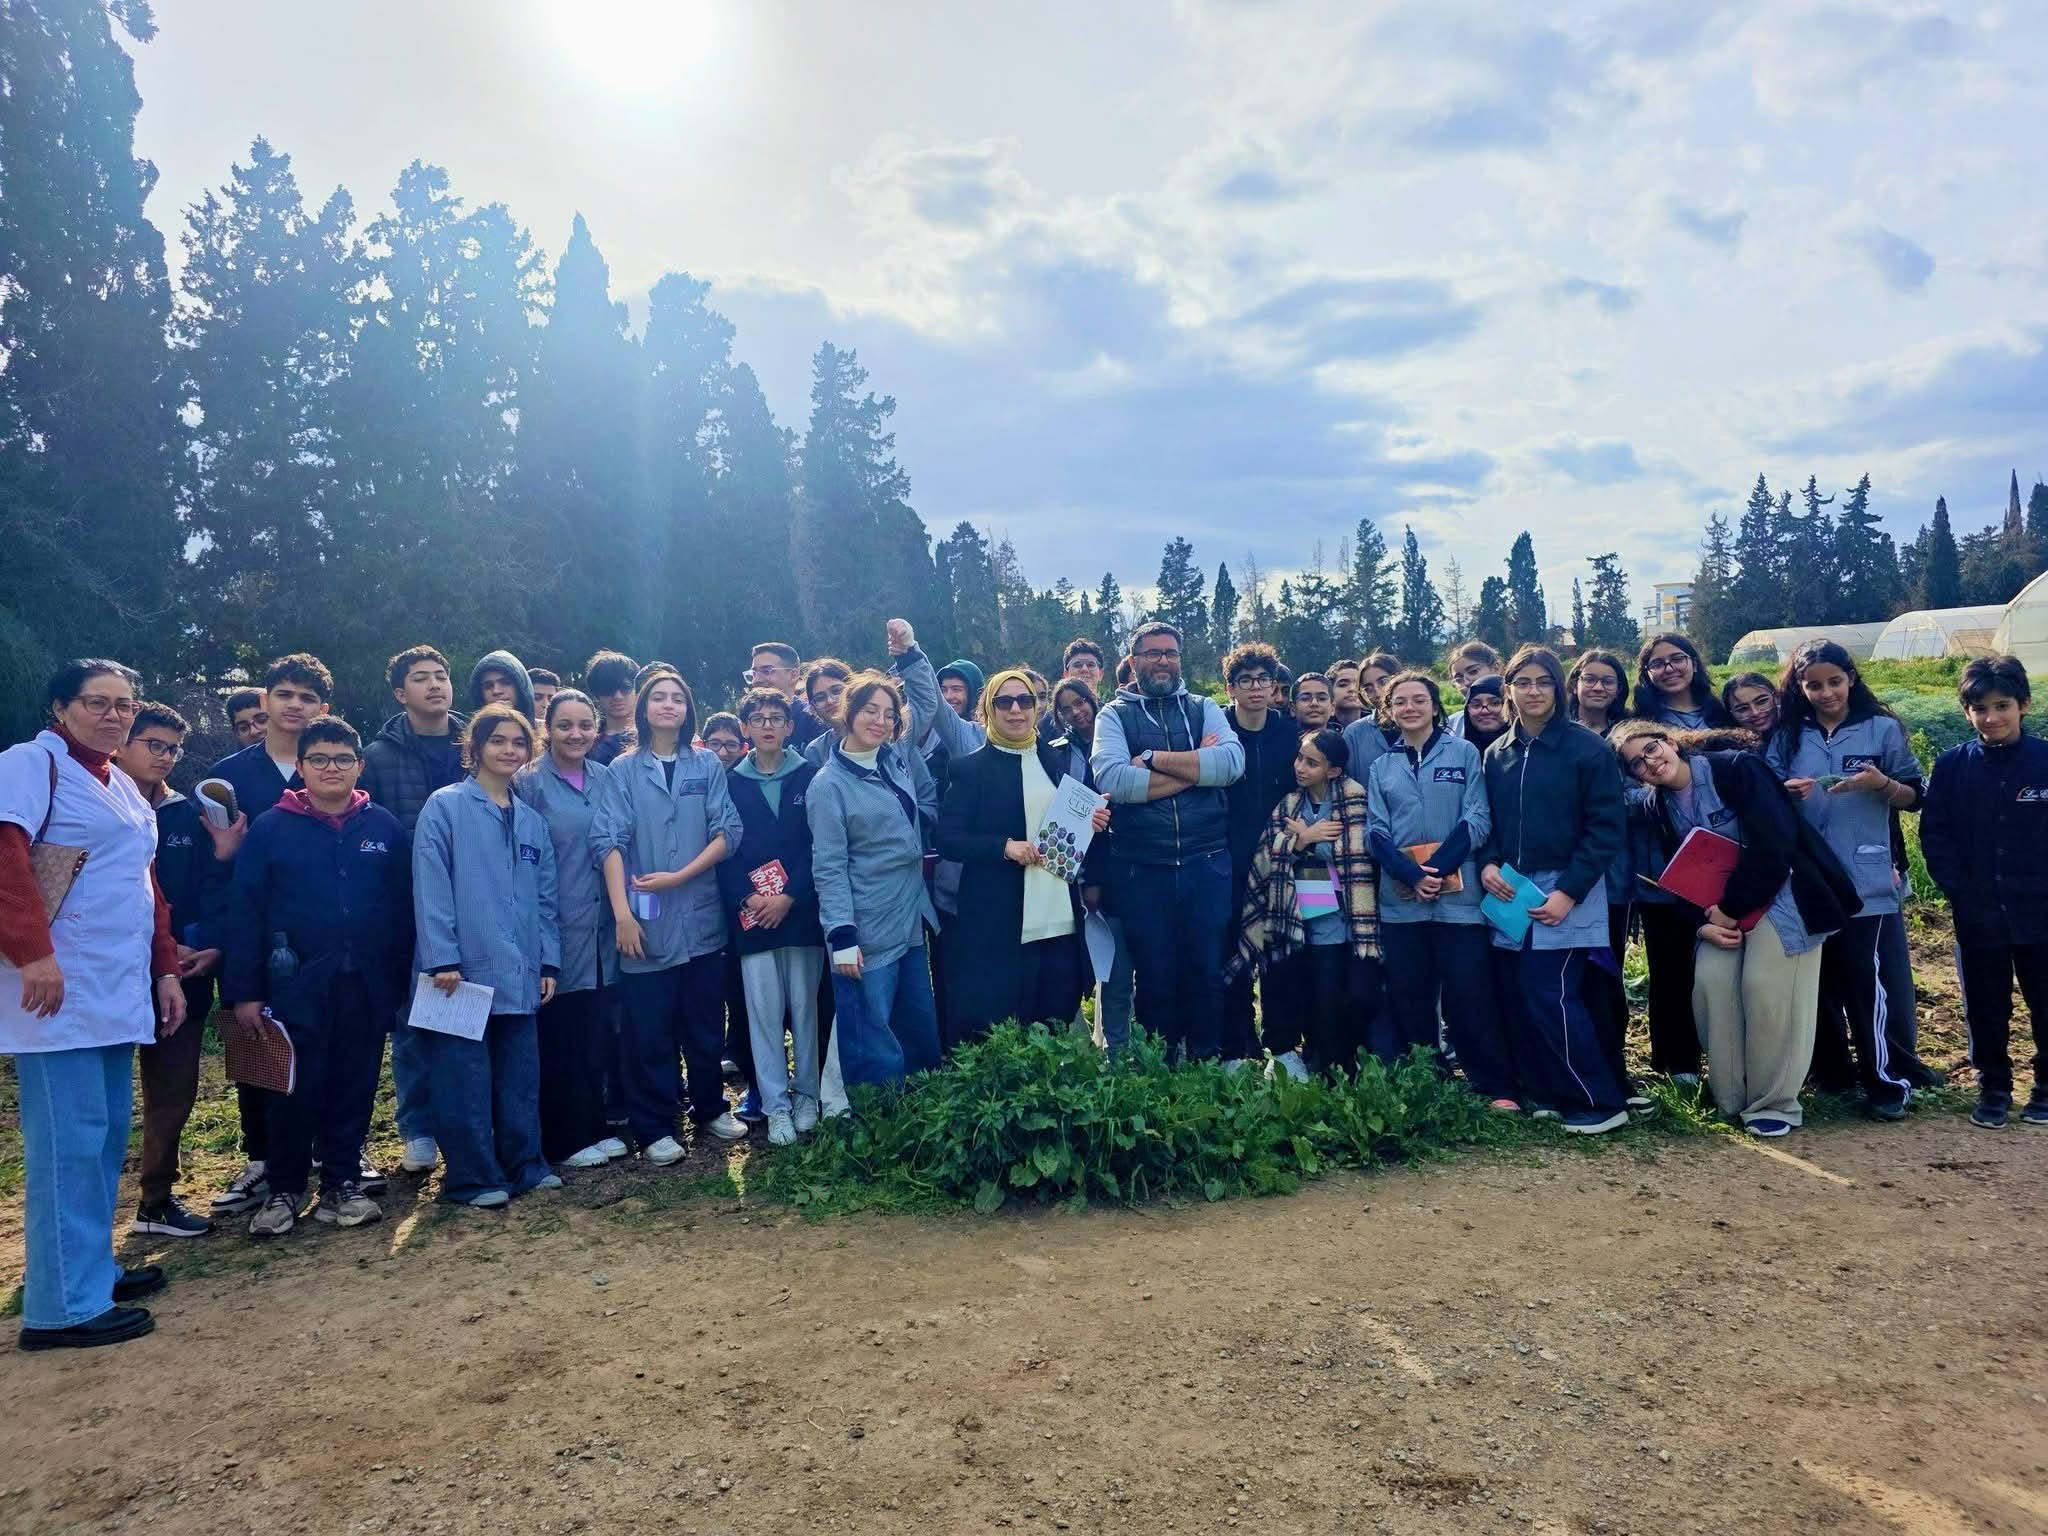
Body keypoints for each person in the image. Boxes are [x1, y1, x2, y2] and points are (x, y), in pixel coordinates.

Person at [3, 661, 187, 1350]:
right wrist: (32, 953)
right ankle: (59, 1309)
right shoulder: (30, 764)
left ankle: (91, 1271)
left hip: (114, 988)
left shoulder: (121, 785)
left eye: (124, 704)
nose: (113, 715)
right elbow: (5, 859)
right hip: (55, 989)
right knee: (67, 1147)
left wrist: (164, 969)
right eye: (96, 702)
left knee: (105, 1138)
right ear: (59, 706)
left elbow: (146, 889)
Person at [1614, 720, 1856, 1135]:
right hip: (1719, 913)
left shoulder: (1737, 769)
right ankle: (1731, 1096)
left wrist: (1730, 907)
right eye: (1637, 764)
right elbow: (1682, 874)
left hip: (1782, 897)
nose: (1650, 764)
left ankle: (1774, 1104)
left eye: (1652, 749)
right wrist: (1702, 925)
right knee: (1711, 982)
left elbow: (1775, 843)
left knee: (1765, 988)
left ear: (1670, 742)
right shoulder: (1659, 806)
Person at [224, 718, 410, 1233]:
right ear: (301, 767)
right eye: (321, 760)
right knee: (291, 1088)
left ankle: (342, 1182)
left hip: (365, 984)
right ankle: (284, 1189)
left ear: (360, 765)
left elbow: (402, 910)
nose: (333, 768)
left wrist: (398, 978)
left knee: (354, 1083)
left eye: (343, 759)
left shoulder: (383, 827)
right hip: (294, 986)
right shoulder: (271, 827)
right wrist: (244, 992)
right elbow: (245, 911)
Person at [202, 652, 360, 1217]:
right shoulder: (230, 776)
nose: (295, 705)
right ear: (264, 700)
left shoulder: (333, 767)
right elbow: (217, 870)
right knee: (265, 1056)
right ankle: (265, 1161)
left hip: (333, 949)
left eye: (308, 698)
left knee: (338, 1054)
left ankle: (333, 1159)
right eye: (284, 694)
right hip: (255, 940)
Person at [592, 666, 746, 1161]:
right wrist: (621, 914)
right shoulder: (622, 771)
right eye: (658, 697)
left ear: (688, 709)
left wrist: (681, 877)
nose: (668, 705)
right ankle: (656, 1126)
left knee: (703, 1022)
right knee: (650, 1030)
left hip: (701, 918)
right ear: (643, 707)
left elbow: (728, 832)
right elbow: (608, 841)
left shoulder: (707, 766)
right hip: (644, 920)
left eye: (677, 698)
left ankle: (709, 1109)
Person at [1766, 639, 1922, 1121]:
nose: (1827, 692)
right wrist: (1786, 793)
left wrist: (1882, 786)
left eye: (1835, 681)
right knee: (1817, 983)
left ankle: (1885, 1081)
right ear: (1800, 688)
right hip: (1809, 879)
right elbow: (1766, 799)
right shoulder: (1788, 735)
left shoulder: (1881, 729)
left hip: (1865, 878)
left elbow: (1915, 795)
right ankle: (1831, 1073)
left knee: (1866, 983)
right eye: (1814, 685)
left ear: (1851, 679)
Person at [413, 704, 561, 1205]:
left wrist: (549, 962)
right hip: (459, 970)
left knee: (520, 1075)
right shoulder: (445, 807)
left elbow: (546, 900)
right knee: (464, 1077)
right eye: (497, 741)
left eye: (518, 743)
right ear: (473, 747)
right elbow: (431, 887)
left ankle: (526, 1165)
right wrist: (441, 957)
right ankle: (474, 1177)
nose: (508, 751)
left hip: (520, 968)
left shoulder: (532, 821)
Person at [1478, 646, 1630, 1134]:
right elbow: (1491, 825)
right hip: (1513, 891)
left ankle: (1601, 1100)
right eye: (1523, 682)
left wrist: (1569, 891)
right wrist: (1487, 865)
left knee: (1552, 992)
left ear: (1560, 689)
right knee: (1522, 995)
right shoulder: (1497, 753)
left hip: (1569, 889)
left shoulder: (1587, 749)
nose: (1534, 691)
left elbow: (1606, 828)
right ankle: (1548, 1091)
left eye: (1544, 682)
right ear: (1509, 690)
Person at [1091, 621, 1245, 1062]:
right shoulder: (1113, 715)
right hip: (1143, 867)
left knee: (1205, 968)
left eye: (1171, 653)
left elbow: (1231, 764)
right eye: (1153, 652)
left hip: (1206, 861)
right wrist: (1197, 768)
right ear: (1133, 660)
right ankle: (1161, 1061)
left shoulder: (1202, 707)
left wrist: (1154, 760)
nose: (1163, 660)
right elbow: (1115, 780)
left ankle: (1205, 1057)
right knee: (1155, 972)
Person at [937, 670, 1107, 1047]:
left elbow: (1068, 826)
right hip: (1000, 917)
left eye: (1025, 701)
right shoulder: (970, 769)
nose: (1016, 709)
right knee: (1001, 1021)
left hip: (1057, 913)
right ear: (988, 709)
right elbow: (947, 839)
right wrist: (1003, 846)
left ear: (1037, 707)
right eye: (1004, 701)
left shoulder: (1056, 758)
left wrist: (1091, 822)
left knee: (1055, 1016)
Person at [1365, 672, 1511, 1103]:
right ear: (1389, 710)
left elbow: (1478, 818)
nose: (1410, 708)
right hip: (1402, 901)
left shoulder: (1464, 753)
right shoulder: (1381, 766)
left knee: (1469, 993)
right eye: (1400, 702)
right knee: (1411, 993)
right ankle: (1429, 1078)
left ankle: (1492, 1084)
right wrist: (1411, 875)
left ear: (1434, 705)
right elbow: (1376, 831)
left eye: (1419, 700)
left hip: (1459, 900)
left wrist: (1437, 869)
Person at [1920, 656, 2048, 1128]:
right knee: (1985, 1004)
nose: (1991, 717)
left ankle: (2046, 1086)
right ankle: (1993, 1086)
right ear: (1966, 711)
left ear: (2023, 705)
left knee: (2045, 1000)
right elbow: (1936, 832)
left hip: (2040, 909)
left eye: (2002, 705)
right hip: (1978, 912)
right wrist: (1957, 888)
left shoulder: (2045, 761)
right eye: (1979, 708)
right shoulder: (1953, 766)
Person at [362, 643, 468, 1175]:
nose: (435, 685)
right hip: (406, 905)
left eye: (442, 675)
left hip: (475, 900)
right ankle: (419, 1128)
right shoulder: (378, 757)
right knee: (413, 1021)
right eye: (421, 678)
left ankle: (466, 1123)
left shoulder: (474, 743)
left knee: (470, 1016)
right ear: (401, 693)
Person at [808, 671, 943, 1086]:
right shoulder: (828, 785)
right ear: (847, 713)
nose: (880, 721)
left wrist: (910, 652)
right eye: (870, 710)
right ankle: (880, 1122)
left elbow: (927, 702)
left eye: (888, 714)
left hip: (910, 916)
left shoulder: (893, 758)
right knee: (872, 1031)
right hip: (867, 925)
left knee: (917, 1019)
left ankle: (924, 1106)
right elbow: (828, 867)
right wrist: (842, 936)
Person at [1227, 728, 1381, 1077]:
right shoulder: (1289, 803)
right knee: (1302, 991)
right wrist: (1301, 842)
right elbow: (1264, 857)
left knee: (1339, 994)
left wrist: (1308, 841)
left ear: (1334, 770)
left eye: (1312, 763)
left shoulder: (1354, 799)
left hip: (1344, 919)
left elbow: (1356, 852)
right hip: (1294, 918)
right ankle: (1308, 1056)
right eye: (1300, 758)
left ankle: (1341, 1061)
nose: (1301, 767)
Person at [117, 704, 217, 1238]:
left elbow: (209, 887)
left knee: (174, 1089)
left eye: (172, 748)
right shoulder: (94, 803)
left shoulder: (186, 813)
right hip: (111, 972)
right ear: (121, 743)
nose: (164, 757)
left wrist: (201, 947)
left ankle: (155, 1200)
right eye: (153, 744)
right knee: (104, 1101)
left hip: (182, 967)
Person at [513, 690, 622, 1169]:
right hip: (556, 921)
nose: (575, 734)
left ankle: (595, 1126)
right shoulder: (528, 784)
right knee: (560, 1034)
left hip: (605, 925)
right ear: (547, 730)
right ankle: (564, 1139)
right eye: (564, 725)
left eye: (584, 725)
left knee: (595, 1030)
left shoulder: (606, 776)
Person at [718, 688, 826, 1145]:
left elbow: (820, 844)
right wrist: (748, 898)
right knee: (762, 1013)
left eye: (776, 718)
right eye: (758, 718)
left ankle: (807, 1094)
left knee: (805, 1009)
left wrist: (791, 896)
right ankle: (774, 1102)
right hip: (753, 917)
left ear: (789, 726)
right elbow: (722, 848)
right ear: (745, 728)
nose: (767, 725)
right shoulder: (729, 782)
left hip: (800, 913)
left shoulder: (811, 776)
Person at [1221, 643, 1299, 1065]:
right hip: (1226, 861)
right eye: (1246, 680)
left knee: (1280, 956)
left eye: (1263, 680)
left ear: (1274, 687)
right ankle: (1234, 1047)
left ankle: (1284, 1049)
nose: (1256, 688)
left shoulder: (1290, 734)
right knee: (1231, 955)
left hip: (1283, 861)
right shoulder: (1215, 732)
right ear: (1230, 687)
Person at [1565, 648, 1637, 1089]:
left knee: (1606, 970)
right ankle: (1574, 1064)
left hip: (1610, 875)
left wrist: (1593, 808)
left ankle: (1613, 1066)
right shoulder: (1560, 732)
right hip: (1559, 874)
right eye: (1589, 678)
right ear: (1574, 684)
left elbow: (1643, 790)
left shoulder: (1629, 735)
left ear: (1619, 689)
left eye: (1607, 680)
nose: (1597, 687)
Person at [1053, 677, 1133, 1052]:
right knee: (1106, 968)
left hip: (1133, 862)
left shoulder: (1122, 733)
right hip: (1085, 870)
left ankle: (1137, 1047)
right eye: (1066, 708)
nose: (1076, 711)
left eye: (1080, 702)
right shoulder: (1057, 754)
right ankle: (1107, 1050)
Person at [1632, 634, 1731, 728]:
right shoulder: (1641, 723)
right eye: (1657, 664)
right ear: (1646, 673)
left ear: (1694, 664)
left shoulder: (1724, 712)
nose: (1669, 669)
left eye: (1677, 659)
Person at [747, 642, 829, 750]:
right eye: (754, 674)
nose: (757, 680)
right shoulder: (746, 720)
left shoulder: (815, 721)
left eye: (766, 671)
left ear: (793, 675)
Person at [584, 650, 641, 766]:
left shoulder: (652, 737)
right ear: (597, 695)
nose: (617, 696)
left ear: (637, 691)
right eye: (608, 690)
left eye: (625, 688)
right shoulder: (585, 740)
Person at [799, 658, 857, 765]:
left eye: (836, 691)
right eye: (820, 697)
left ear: (854, 689)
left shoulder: (880, 730)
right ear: (813, 707)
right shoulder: (816, 751)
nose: (830, 701)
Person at [1444, 642, 1501, 738]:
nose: (1466, 682)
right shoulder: (1450, 728)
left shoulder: (1525, 720)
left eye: (1473, 671)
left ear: (1496, 669)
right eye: (1458, 679)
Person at [468, 648, 535, 721]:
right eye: (488, 686)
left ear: (520, 687)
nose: (496, 691)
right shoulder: (466, 732)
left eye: (505, 683)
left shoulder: (544, 732)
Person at [1451, 674, 1509, 755]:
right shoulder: (1453, 751)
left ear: (1509, 707)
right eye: (1476, 705)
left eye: (1494, 703)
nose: (1484, 711)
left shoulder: (1527, 748)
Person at [936, 658, 986, 723]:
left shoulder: (990, 730)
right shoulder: (931, 728)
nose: (948, 697)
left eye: (956, 689)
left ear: (975, 694)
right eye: (943, 690)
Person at [1358, 652, 1401, 719]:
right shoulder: (1357, 729)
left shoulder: (1421, 721)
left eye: (1383, 683)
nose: (1377, 693)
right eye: (1368, 689)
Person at [1329, 660, 1365, 728]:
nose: (1352, 689)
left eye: (1358, 684)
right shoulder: (1321, 727)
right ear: (1330, 692)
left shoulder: (1379, 725)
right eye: (1343, 685)